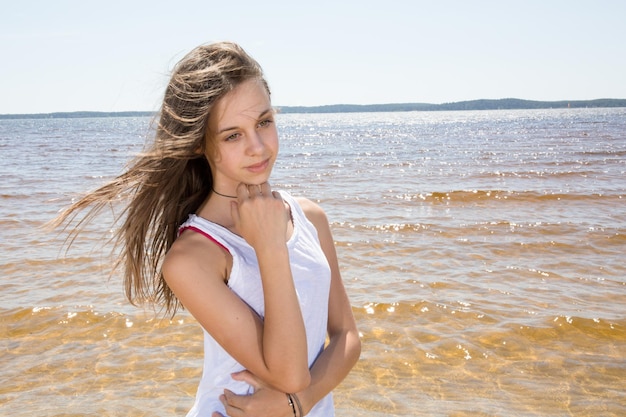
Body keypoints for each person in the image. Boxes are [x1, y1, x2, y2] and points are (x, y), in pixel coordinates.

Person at [52, 41, 361, 416]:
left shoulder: (310, 217)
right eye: (233, 135)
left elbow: (346, 337)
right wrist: (269, 247)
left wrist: (300, 405)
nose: (258, 147)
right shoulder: (193, 258)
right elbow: (290, 373)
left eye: (264, 122)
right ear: (201, 144)